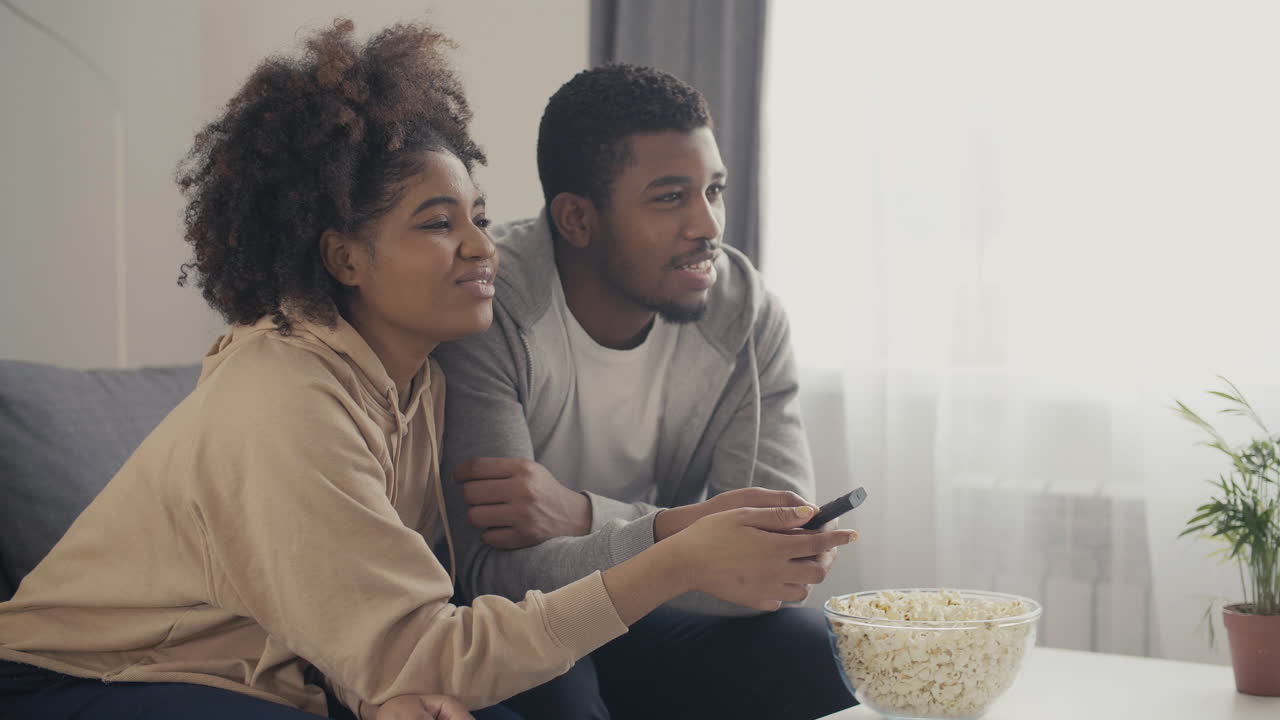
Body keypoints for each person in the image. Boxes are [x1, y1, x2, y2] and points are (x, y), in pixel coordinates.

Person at [0, 22, 856, 720]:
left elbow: (369, 609)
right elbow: (429, 633)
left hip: (272, 667)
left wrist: (381, 690)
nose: (484, 247)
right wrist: (673, 553)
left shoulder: (415, 382)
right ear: (344, 255)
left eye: (477, 216)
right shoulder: (285, 397)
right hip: (90, 678)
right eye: (438, 224)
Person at [433, 65, 859, 720]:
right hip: (516, 623)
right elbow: (492, 577)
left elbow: (773, 568)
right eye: (670, 198)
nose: (708, 224)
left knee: (817, 650)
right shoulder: (489, 308)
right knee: (566, 694)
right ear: (576, 218)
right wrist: (687, 548)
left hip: (649, 613)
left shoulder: (745, 316)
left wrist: (582, 514)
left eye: (713, 190)